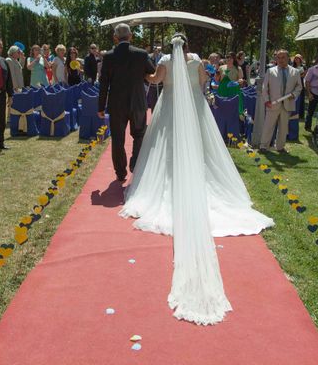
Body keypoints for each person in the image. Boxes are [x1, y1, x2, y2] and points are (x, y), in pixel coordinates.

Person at [121, 33, 273, 325]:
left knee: (165, 149)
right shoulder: (199, 62)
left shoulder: (165, 61)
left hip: (171, 110)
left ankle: (169, 179)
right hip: (194, 108)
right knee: (198, 149)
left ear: (172, 47)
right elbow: (204, 83)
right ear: (189, 45)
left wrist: (146, 72)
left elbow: (155, 81)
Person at [98, 23, 155, 181]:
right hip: (138, 102)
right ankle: (135, 163)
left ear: (115, 38)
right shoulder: (141, 54)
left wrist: (100, 106)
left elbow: (103, 84)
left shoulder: (108, 56)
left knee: (117, 139)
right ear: (130, 36)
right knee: (139, 135)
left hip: (116, 105)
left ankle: (120, 172)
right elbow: (152, 72)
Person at [260, 49, 303, 152]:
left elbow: (299, 87)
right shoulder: (270, 71)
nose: (280, 60)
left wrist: (294, 94)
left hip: (287, 104)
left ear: (288, 58)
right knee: (268, 126)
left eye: (283, 57)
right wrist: (266, 101)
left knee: (283, 128)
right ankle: (263, 146)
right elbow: (264, 87)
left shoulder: (295, 72)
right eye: (278, 57)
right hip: (273, 104)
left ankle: (280, 147)